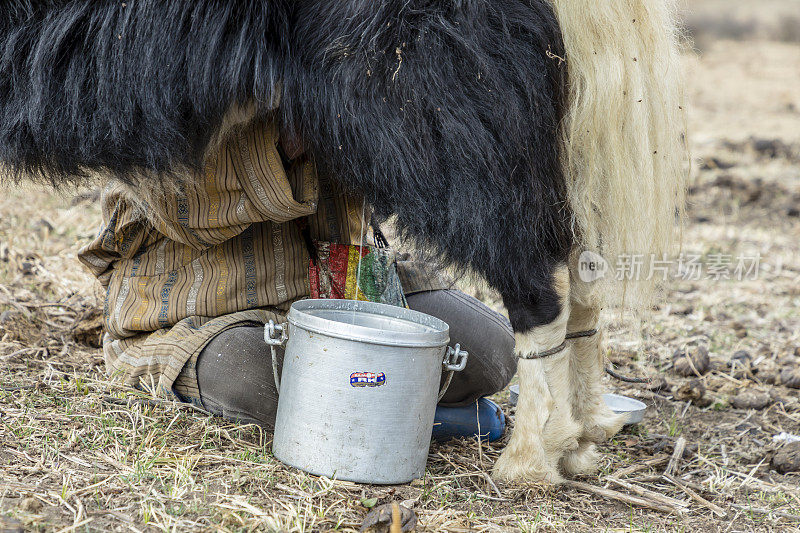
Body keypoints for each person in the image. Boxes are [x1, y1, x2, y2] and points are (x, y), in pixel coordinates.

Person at [79, 117, 516, 435]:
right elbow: (169, 202)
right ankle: (434, 419)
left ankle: (383, 412)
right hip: (203, 308)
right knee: (262, 375)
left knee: (492, 350)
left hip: (340, 287)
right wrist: (290, 136)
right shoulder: (170, 38)